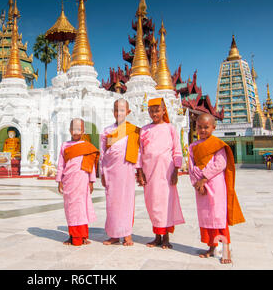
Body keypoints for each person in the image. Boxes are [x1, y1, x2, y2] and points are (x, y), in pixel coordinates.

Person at [188, 113, 245, 264]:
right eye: (199, 127)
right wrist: (196, 183)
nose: (202, 130)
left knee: (218, 218)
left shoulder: (217, 144)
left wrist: (204, 178)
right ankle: (211, 247)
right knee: (206, 217)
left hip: (215, 185)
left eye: (206, 127)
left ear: (214, 127)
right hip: (201, 188)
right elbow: (191, 167)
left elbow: (220, 164)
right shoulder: (193, 147)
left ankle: (226, 250)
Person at [138, 97, 184, 249]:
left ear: (164, 110)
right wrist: (140, 172)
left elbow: (177, 150)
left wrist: (176, 171)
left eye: (157, 110)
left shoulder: (170, 128)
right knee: (153, 204)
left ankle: (166, 238)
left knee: (166, 204)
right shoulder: (144, 130)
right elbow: (140, 152)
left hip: (166, 172)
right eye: (151, 111)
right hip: (149, 172)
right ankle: (157, 236)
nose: (154, 114)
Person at [100, 99, 143, 246]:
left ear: (128, 112)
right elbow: (103, 154)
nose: (119, 113)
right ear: (113, 112)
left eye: (123, 110)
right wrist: (102, 173)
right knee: (112, 203)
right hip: (111, 171)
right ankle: (113, 235)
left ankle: (126, 234)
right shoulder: (107, 131)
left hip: (127, 171)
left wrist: (139, 171)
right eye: (117, 110)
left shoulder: (134, 130)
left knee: (127, 202)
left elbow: (138, 153)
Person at [56, 118, 99, 246]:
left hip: (82, 180)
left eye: (78, 129)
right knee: (70, 208)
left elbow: (90, 164)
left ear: (83, 131)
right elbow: (61, 164)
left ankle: (83, 236)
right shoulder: (65, 145)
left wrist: (91, 181)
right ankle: (71, 235)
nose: (76, 132)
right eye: (73, 129)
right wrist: (59, 180)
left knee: (81, 207)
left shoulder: (86, 146)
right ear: (69, 130)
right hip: (68, 180)